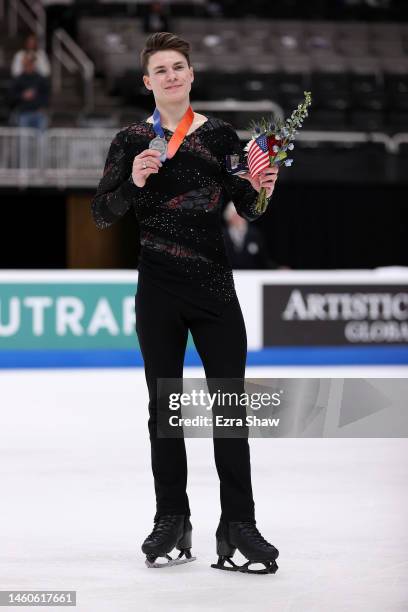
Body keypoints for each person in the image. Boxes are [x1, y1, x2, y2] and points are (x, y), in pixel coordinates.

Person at [91, 32, 280, 574]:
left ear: (191, 75)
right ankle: (172, 518)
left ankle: (238, 524)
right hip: (158, 291)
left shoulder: (221, 135)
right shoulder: (131, 140)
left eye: (179, 67)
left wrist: (263, 185)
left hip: (215, 290)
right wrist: (131, 182)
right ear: (147, 82)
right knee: (164, 413)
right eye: (161, 70)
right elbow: (102, 214)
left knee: (230, 408)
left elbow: (250, 205)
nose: (172, 76)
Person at [223, 201, 274, 269]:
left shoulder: (254, 234)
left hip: (252, 276)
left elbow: (263, 259)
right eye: (235, 215)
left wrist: (277, 268)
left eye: (241, 215)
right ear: (229, 217)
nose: (239, 219)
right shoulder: (222, 234)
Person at [10, 54, 49, 131]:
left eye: (31, 63)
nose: (29, 65)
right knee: (24, 139)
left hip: (38, 113)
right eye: (27, 63)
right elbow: (11, 96)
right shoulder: (18, 79)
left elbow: (46, 95)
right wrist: (23, 95)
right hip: (23, 113)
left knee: (41, 139)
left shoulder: (40, 79)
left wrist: (43, 106)